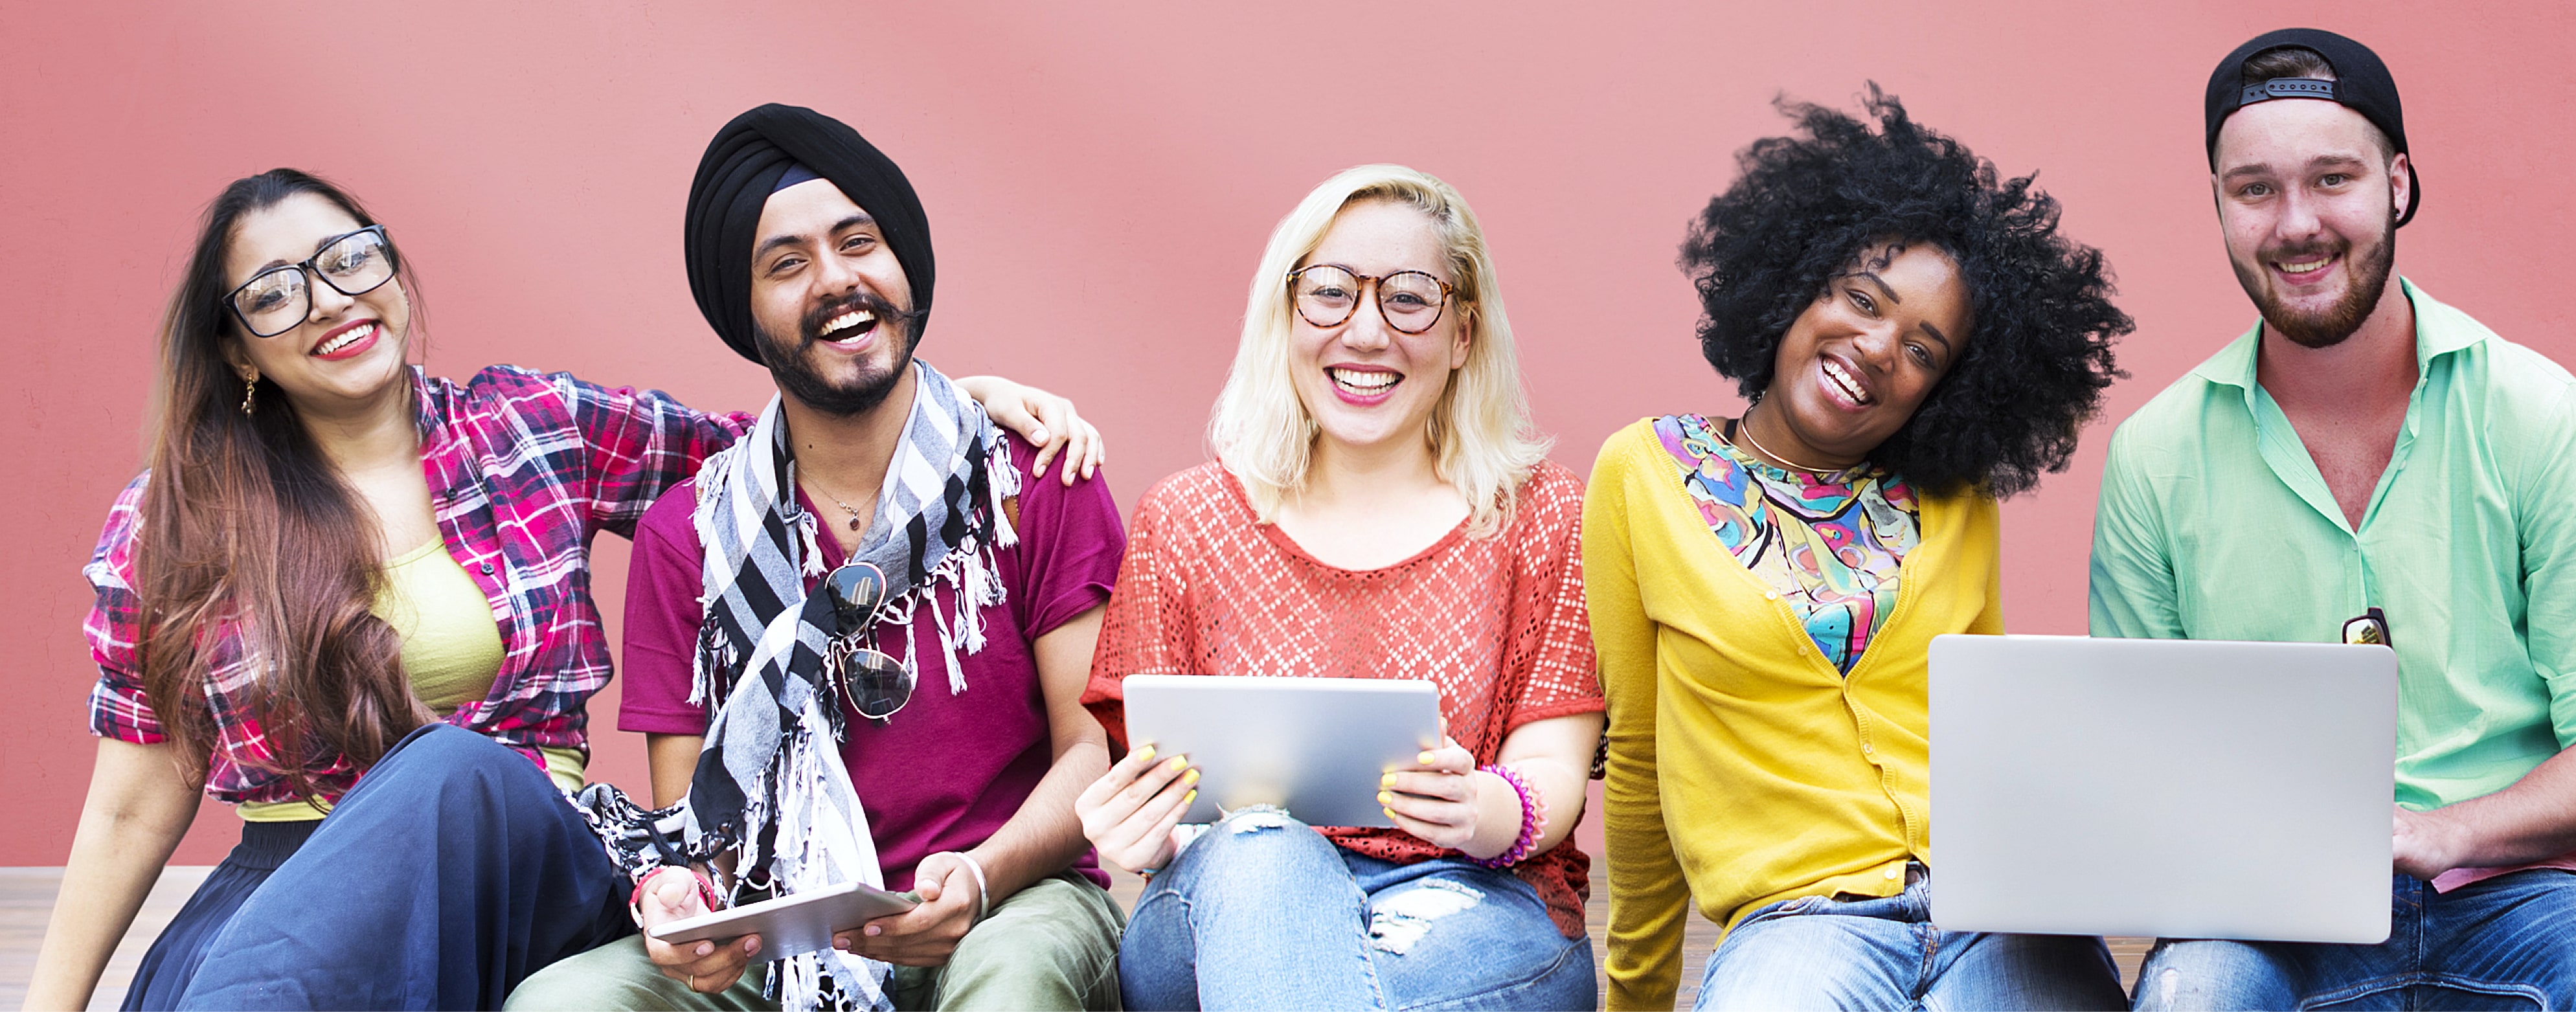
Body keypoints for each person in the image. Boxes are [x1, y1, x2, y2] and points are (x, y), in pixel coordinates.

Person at [32, 167, 1096, 1011]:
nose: (330, 302)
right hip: (289, 893)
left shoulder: (533, 431)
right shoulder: (171, 524)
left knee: (452, 769)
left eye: (349, 260)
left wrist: (947, 408)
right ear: (236, 348)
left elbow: (784, 451)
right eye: (274, 292)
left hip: (525, 849)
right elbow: (131, 807)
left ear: (394, 270)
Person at [2091, 28, 2576, 1011]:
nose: (2296, 224)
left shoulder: (2542, 418)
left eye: (2332, 178)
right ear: (2217, 204)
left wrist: (2437, 833)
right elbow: (2138, 762)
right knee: (2188, 994)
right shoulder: (2154, 456)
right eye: (2254, 189)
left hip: (2524, 894)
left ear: (2399, 186)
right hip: (2271, 914)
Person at [505, 102, 1131, 1011]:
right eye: (786, 265)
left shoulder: (1032, 476)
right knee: (566, 1003)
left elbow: (1096, 747)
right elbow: (700, 820)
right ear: (746, 313)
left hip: (1015, 905)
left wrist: (979, 880)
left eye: (858, 242)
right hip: (785, 935)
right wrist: (688, 907)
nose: (836, 281)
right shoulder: (691, 535)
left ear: (904, 265)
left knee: (1012, 980)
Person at [1592, 87, 2135, 1011]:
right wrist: (1635, 997)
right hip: (1803, 924)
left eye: (1924, 349)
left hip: (1997, 918)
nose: (1879, 347)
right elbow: (1640, 756)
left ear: (1947, 389)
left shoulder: (1956, 507)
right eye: (1859, 298)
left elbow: (1993, 732)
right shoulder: (1643, 474)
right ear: (1794, 283)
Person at [1070, 164, 1602, 1011]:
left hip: (1471, 902)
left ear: (1463, 333)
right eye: (1329, 293)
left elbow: (1553, 768)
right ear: (1285, 317)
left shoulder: (1544, 515)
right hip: (1227, 895)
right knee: (1262, 852)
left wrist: (1483, 807)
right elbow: (1158, 795)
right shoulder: (1186, 520)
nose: (1364, 332)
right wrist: (1138, 828)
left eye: (1409, 298)